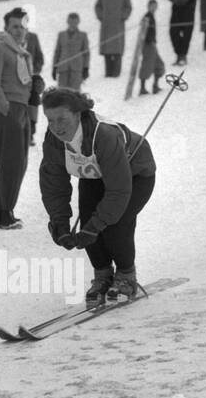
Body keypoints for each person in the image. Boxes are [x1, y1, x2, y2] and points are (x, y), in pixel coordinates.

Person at [39, 88, 157, 308]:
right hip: (93, 175)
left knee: (114, 223)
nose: (56, 126)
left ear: (78, 114)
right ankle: (102, 275)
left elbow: (119, 191)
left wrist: (97, 225)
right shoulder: (54, 140)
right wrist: (61, 224)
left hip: (135, 174)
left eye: (62, 119)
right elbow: (53, 185)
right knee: (87, 222)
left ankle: (126, 277)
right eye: (50, 120)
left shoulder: (103, 135)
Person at [0, 8, 35, 230]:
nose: (19, 30)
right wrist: (6, 109)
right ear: (6, 28)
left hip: (22, 109)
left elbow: (25, 83)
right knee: (10, 162)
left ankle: (6, 211)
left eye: (22, 26)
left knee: (20, 163)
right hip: (7, 110)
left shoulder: (22, 54)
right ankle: (3, 213)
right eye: (14, 26)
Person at [94, 0, 132, 78]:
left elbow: (128, 7)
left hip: (117, 25)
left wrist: (122, 17)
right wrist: (100, 16)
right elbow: (98, 6)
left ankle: (116, 73)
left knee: (117, 50)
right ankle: (108, 72)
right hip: (106, 24)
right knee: (107, 51)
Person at [52, 13, 90, 91]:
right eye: (71, 22)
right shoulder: (61, 35)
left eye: (75, 22)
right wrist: (54, 67)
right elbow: (57, 52)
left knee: (75, 92)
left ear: (78, 22)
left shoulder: (83, 35)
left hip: (76, 69)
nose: (73, 24)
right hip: (63, 68)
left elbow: (86, 54)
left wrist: (86, 68)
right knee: (61, 91)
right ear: (68, 22)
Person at [137, 0, 166, 94]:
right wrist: (149, 41)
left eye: (155, 6)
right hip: (147, 44)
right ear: (148, 6)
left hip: (152, 44)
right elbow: (144, 32)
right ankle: (142, 88)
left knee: (159, 64)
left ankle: (155, 85)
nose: (154, 8)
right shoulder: (147, 17)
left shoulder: (151, 17)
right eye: (152, 6)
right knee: (147, 65)